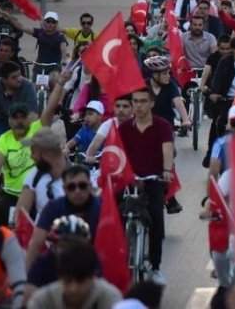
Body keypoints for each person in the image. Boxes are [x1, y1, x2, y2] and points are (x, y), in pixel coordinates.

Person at [119, 87, 176, 285]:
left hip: (154, 180)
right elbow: (118, 153)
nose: (139, 105)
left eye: (143, 101)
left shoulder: (162, 126)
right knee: (115, 216)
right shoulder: (124, 128)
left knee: (157, 223)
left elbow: (167, 149)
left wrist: (167, 170)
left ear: (151, 103)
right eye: (135, 101)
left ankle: (155, 267)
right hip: (129, 181)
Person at [26, 164, 101, 269]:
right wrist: (26, 278)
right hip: (58, 262)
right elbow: (37, 242)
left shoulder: (102, 207)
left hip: (94, 262)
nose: (77, 191)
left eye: (82, 186)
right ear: (64, 189)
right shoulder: (53, 207)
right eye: (71, 187)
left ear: (90, 186)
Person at [0, 101, 46, 225]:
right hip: (11, 195)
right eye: (15, 117)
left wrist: (60, 84)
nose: (19, 121)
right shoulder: (3, 140)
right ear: (9, 121)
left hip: (35, 194)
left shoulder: (36, 129)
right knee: (5, 225)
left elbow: (49, 110)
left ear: (29, 119)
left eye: (22, 117)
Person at [27, 241, 122, 309]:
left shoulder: (109, 298)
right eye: (68, 281)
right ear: (60, 277)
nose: (74, 288)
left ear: (93, 277)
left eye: (80, 281)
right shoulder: (43, 301)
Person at [25, 216, 90, 300]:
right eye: (64, 245)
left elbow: (99, 293)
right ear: (55, 246)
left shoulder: (90, 264)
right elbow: (29, 292)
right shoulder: (43, 263)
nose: (69, 251)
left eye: (75, 246)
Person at [17, 128, 67, 219]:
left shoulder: (79, 177)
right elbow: (20, 213)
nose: (31, 157)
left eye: (33, 152)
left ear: (46, 155)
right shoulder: (34, 175)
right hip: (42, 231)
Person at [4, 10, 69, 74]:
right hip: (40, 67)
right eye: (48, 21)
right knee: (35, 83)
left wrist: (64, 60)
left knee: (53, 81)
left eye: (53, 22)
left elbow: (63, 47)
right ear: (44, 22)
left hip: (54, 68)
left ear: (57, 23)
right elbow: (22, 27)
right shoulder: (40, 33)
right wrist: (10, 18)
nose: (50, 24)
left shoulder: (60, 37)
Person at [0, 61, 38, 140]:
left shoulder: (28, 87)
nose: (19, 79)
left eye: (19, 75)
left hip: (24, 122)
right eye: (14, 77)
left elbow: (33, 115)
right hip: (4, 121)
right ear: (4, 80)